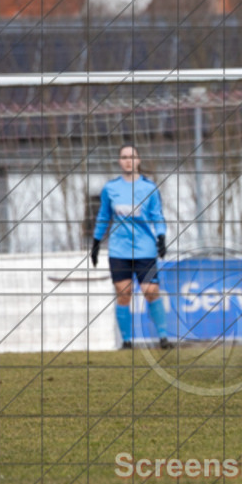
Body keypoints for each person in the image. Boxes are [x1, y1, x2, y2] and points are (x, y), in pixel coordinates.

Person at [91, 144, 172, 349]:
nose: (128, 160)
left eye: (132, 157)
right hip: (119, 249)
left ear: (138, 161)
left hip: (144, 248)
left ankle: (163, 337)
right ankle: (126, 341)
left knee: (151, 290)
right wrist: (96, 241)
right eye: (124, 157)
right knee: (123, 292)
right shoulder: (110, 189)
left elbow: (157, 215)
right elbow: (103, 217)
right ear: (119, 161)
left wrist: (161, 237)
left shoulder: (149, 188)